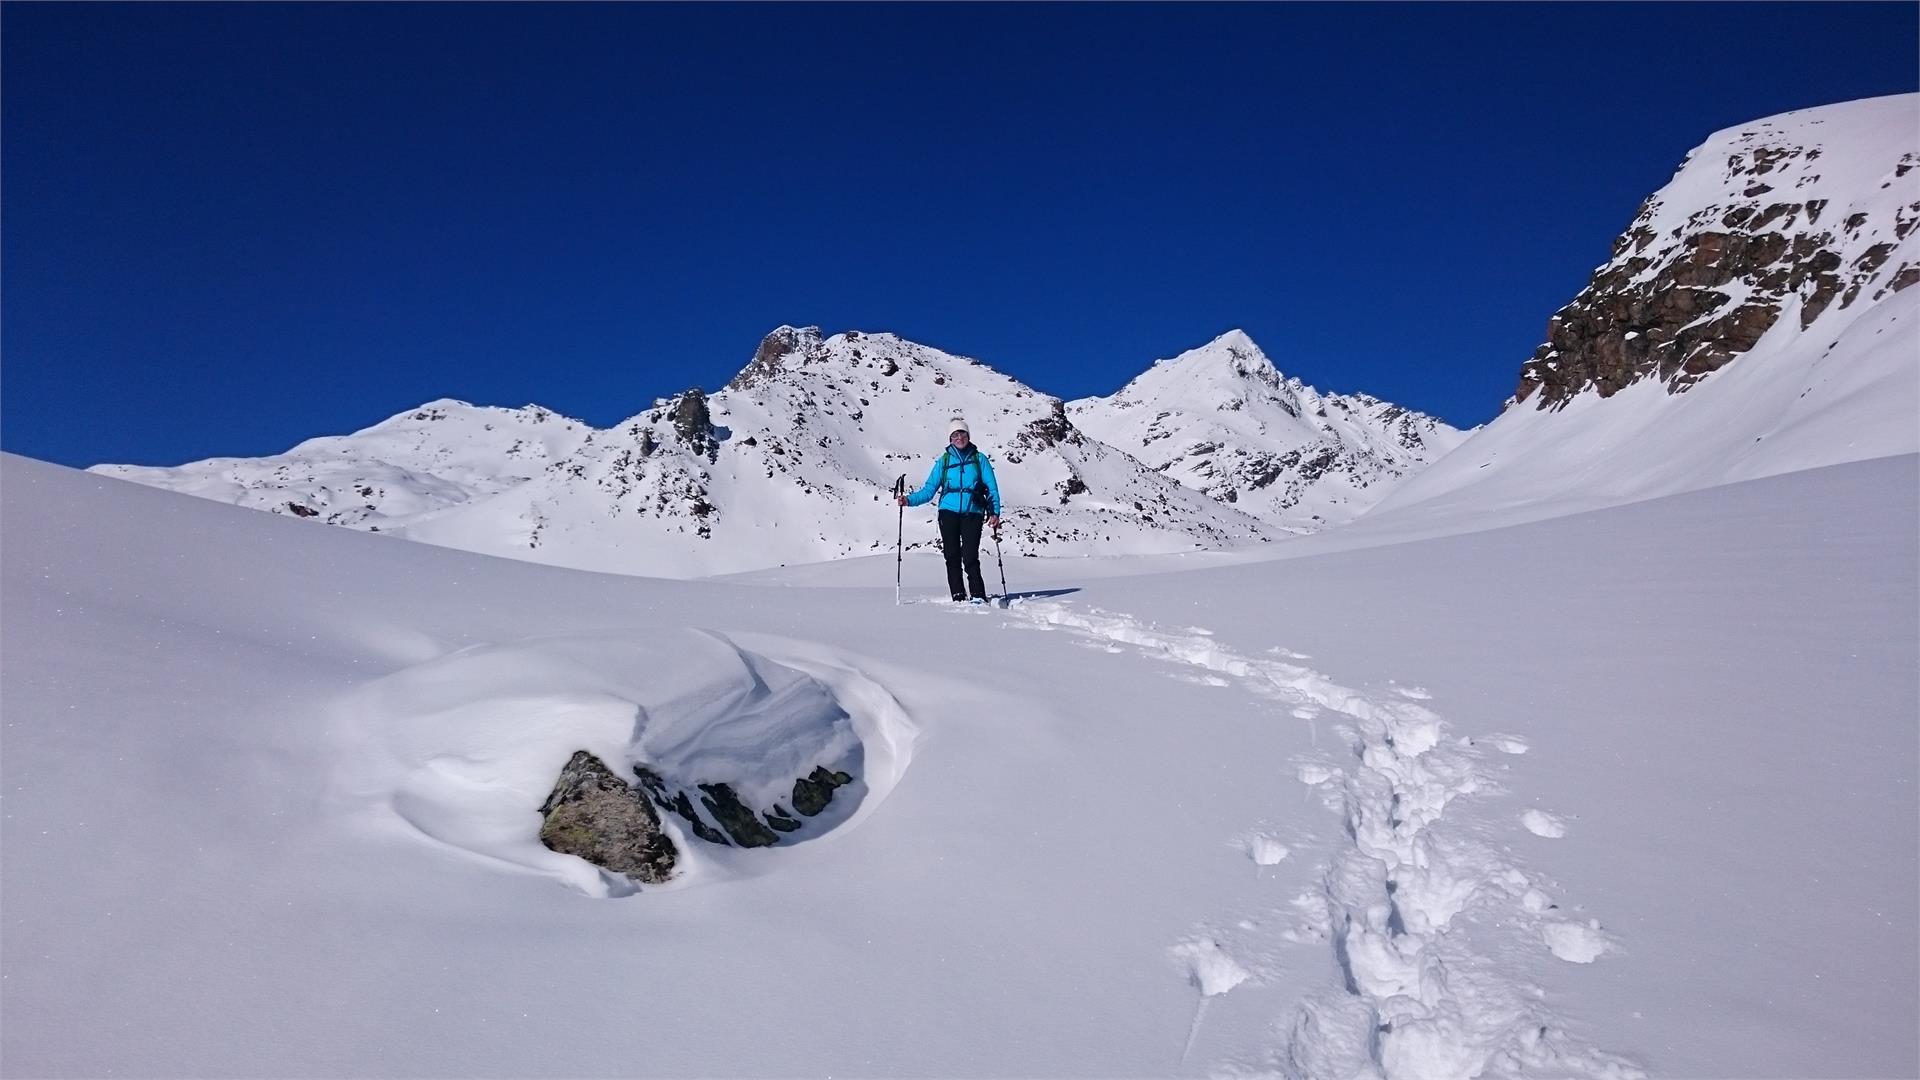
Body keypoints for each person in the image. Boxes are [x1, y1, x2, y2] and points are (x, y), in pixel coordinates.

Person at [898, 416, 1002, 602]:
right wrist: (908, 500)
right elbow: (929, 490)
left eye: (962, 433)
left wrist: (994, 513)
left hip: (974, 511)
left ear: (968, 436)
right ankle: (958, 595)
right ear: (950, 439)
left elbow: (992, 488)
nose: (959, 438)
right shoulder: (944, 461)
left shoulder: (980, 459)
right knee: (952, 555)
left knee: (970, 555)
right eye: (955, 434)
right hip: (948, 512)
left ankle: (978, 595)